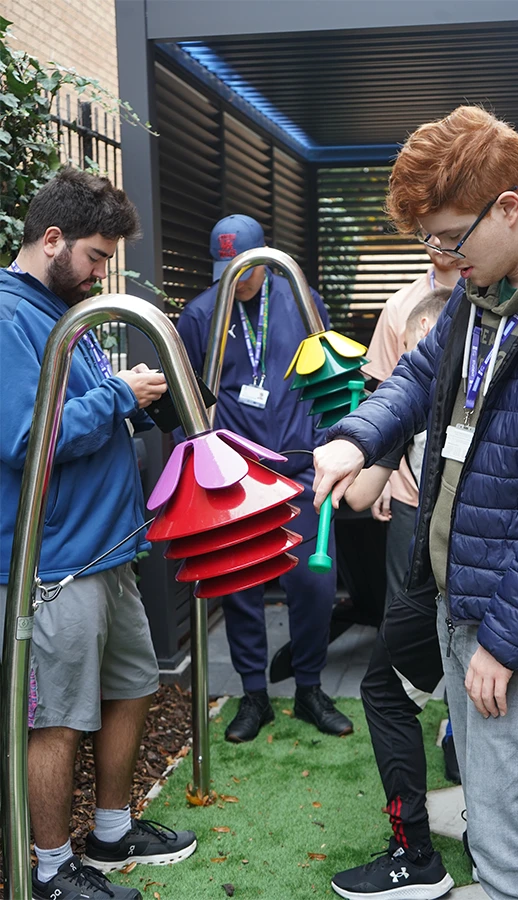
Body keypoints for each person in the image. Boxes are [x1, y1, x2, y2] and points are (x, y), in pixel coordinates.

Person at [313, 106, 518, 900]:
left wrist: (504, 643)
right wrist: (353, 441)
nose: (439, 259)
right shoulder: (486, 290)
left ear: (509, 206)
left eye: (448, 237)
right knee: (492, 812)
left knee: (513, 854)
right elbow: (414, 380)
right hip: (458, 593)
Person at [0, 169, 197, 900]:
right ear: (51, 239)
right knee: (53, 723)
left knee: (134, 687)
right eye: (96, 256)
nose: (101, 273)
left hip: (109, 551)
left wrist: (138, 407)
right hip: (55, 563)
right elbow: (27, 438)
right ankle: (50, 873)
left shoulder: (61, 309)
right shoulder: (9, 316)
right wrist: (119, 393)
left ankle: (111, 831)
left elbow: (85, 407)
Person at [176, 214, 353, 742]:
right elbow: (188, 400)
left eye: (245, 269)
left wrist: (336, 446)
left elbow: (328, 374)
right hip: (235, 477)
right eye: (226, 270)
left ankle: (309, 688)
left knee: (314, 584)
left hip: (301, 469)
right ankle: (254, 696)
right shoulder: (201, 313)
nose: (237, 279)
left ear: (263, 257)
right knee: (241, 590)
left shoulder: (300, 299)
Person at [330, 289, 456, 900]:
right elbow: (356, 494)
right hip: (426, 555)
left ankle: (422, 854)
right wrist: (356, 450)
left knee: (400, 692)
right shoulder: (411, 414)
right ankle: (423, 848)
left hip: (469, 568)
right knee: (392, 688)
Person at [363, 248, 458, 605]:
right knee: (402, 598)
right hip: (407, 485)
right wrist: (381, 474)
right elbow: (384, 393)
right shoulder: (399, 305)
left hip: (461, 494)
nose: (438, 241)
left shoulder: (495, 297)